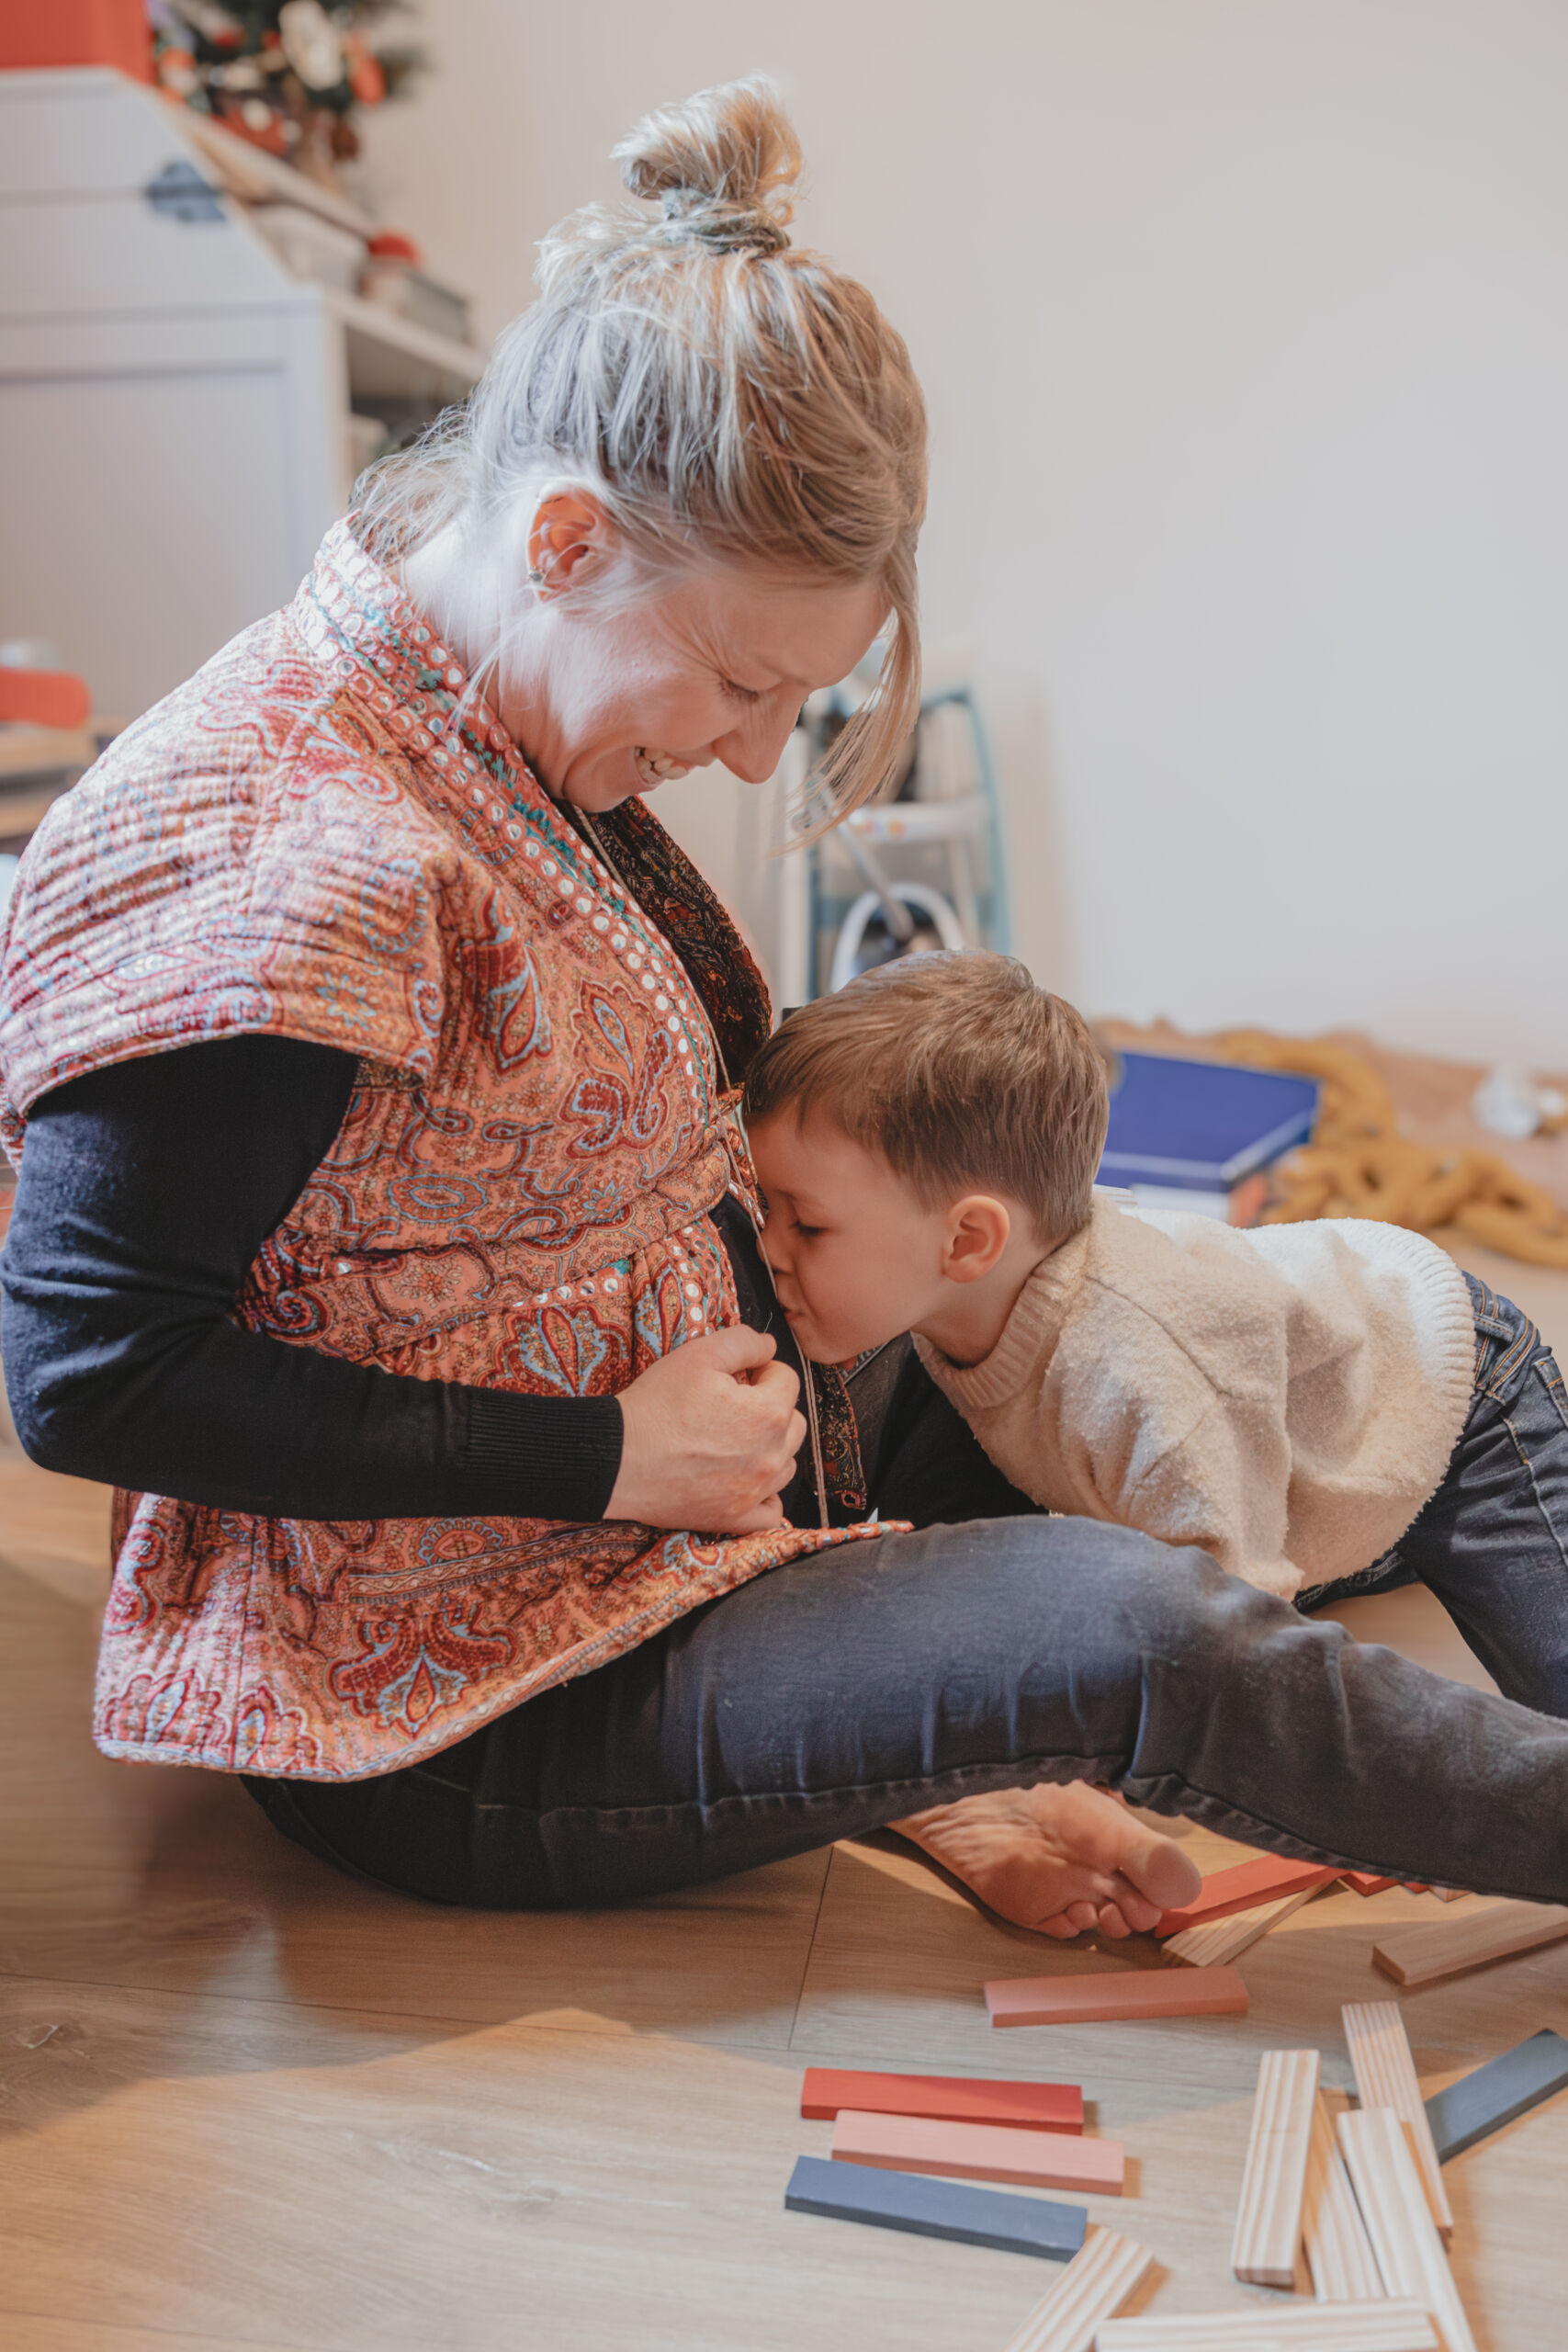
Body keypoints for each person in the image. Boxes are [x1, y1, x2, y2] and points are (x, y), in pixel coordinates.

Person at [5, 80, 1568, 1942]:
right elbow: (90, 1371)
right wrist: (606, 1456)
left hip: (727, 1467)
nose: (745, 748)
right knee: (1139, 1623)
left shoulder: (490, 727)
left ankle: (1463, 1407)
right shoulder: (286, 844)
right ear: (565, 539)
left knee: (1265, 1339)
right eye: (738, 677)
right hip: (487, 1689)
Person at [744, 952, 1568, 1714]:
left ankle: (1394, 1529)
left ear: (966, 1242)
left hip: (1453, 1398)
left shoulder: (1137, 1372)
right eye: (763, 1209)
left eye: (806, 1226)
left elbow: (1241, 1640)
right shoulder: (952, 1296)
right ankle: (1370, 1539)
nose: (766, 1248)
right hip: (1285, 1415)